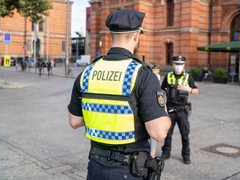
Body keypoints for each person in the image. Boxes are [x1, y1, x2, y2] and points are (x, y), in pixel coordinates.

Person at [67, 9, 171, 180]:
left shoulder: (87, 72)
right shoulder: (142, 75)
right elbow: (159, 132)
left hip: (95, 167)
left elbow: (74, 121)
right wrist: (164, 111)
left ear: (110, 35)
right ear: (137, 35)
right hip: (128, 170)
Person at [161, 55, 199, 165]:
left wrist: (189, 89)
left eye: (180, 64)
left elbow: (196, 91)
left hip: (182, 111)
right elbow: (162, 90)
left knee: (185, 134)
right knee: (168, 133)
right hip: (170, 109)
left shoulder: (188, 77)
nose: (178, 66)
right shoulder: (168, 76)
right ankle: (166, 153)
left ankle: (186, 156)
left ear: (184, 65)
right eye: (176, 64)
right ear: (173, 64)